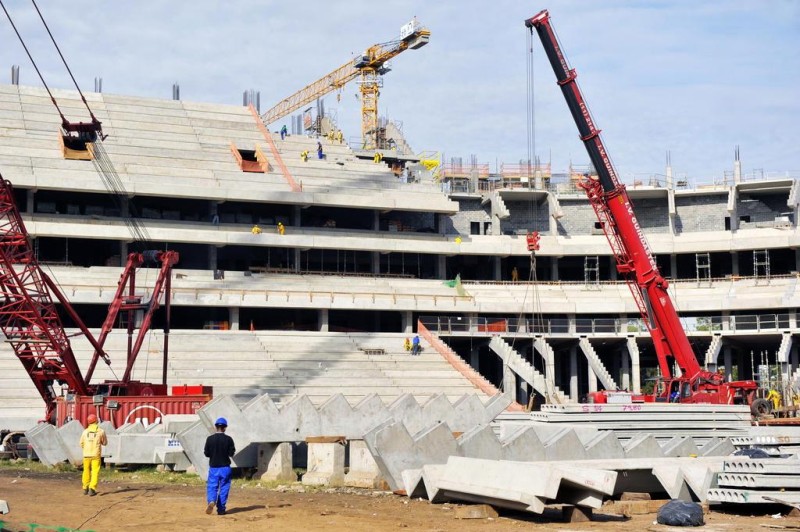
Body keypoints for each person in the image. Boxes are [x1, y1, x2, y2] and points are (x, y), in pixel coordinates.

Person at [204, 417, 236, 516]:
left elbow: (206, 453)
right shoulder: (229, 439)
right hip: (225, 468)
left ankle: (212, 500)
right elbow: (231, 453)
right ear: (225, 427)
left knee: (212, 486)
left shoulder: (210, 439)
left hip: (214, 467)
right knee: (224, 488)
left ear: (216, 426)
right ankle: (221, 510)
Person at [79, 414, 107, 496]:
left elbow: (81, 443)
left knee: (86, 471)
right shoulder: (101, 431)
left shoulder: (85, 432)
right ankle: (92, 488)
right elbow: (105, 443)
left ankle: (85, 488)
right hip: (96, 455)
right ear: (96, 421)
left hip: (86, 455)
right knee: (95, 471)